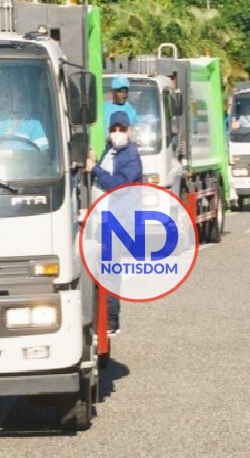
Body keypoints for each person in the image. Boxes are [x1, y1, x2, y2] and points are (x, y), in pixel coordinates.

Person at [85, 111, 142, 337]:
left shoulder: (130, 155)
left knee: (108, 271)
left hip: (118, 223)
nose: (117, 133)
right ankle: (102, 319)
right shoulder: (109, 151)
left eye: (121, 129)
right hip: (101, 218)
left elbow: (120, 184)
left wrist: (95, 169)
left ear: (129, 131)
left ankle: (111, 322)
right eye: (114, 129)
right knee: (98, 270)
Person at [0, 70, 50, 153]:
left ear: (20, 95)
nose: (7, 98)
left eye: (11, 93)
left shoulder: (33, 125)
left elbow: (43, 157)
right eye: (2, 92)